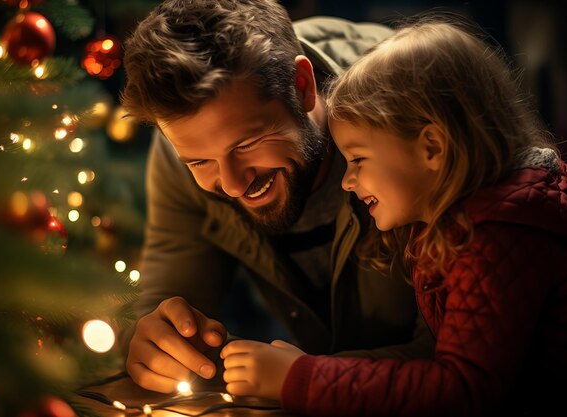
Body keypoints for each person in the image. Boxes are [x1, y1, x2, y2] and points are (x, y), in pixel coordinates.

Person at [220, 16, 567, 416]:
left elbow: (464, 390)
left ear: (431, 147)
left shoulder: (499, 234)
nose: (348, 181)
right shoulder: (468, 223)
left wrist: (303, 378)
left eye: (358, 159)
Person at [120, 0, 434, 394]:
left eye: (247, 143)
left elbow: (465, 361)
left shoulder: (417, 110)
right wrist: (155, 340)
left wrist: (307, 379)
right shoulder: (180, 147)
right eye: (200, 161)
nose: (232, 185)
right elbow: (167, 301)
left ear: (301, 86)